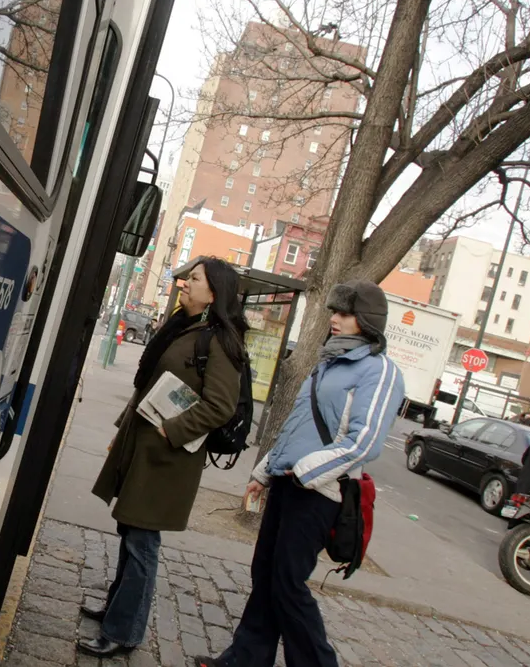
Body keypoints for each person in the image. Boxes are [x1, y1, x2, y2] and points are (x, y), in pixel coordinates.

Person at [197, 280, 405, 667]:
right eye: (334, 312)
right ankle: (244, 661)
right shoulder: (328, 361)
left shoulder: (380, 372)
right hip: (289, 484)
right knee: (266, 574)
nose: (334, 319)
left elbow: (365, 442)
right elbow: (298, 424)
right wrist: (266, 470)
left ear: (367, 321)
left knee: (288, 585)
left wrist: (305, 470)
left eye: (344, 313)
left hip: (320, 493)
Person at [82, 257, 249, 658]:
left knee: (142, 541)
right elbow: (149, 384)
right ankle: (115, 610)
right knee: (130, 532)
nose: (184, 283)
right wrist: (124, 433)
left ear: (214, 293)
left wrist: (170, 431)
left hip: (168, 458)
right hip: (143, 447)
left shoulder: (220, 341)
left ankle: (124, 631)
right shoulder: (182, 326)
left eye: (194, 279)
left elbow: (220, 406)